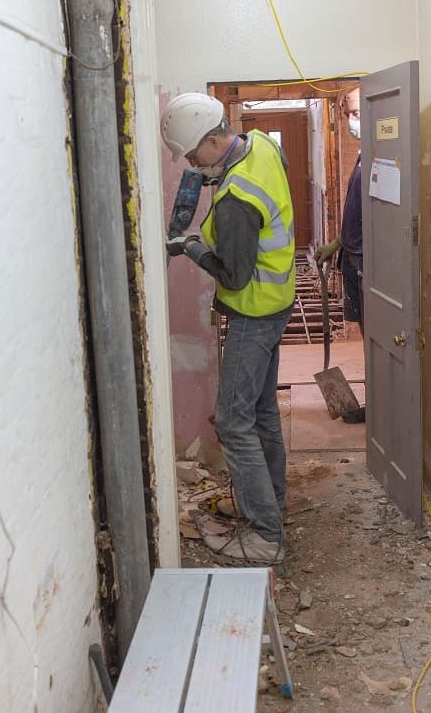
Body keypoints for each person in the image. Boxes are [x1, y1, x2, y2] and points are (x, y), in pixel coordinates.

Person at [160, 92, 296, 564]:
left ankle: (266, 535)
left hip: (254, 313)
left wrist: (191, 246)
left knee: (234, 421)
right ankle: (271, 507)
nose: (192, 166)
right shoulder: (260, 144)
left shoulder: (237, 198)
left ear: (216, 140)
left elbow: (234, 275)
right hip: (278, 302)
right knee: (261, 413)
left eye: (195, 155)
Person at [314, 108, 365, 423]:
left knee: (376, 334)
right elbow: (355, 213)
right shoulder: (362, 156)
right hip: (352, 255)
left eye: (357, 112)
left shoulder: (382, 158)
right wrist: (338, 242)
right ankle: (373, 404)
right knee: (365, 330)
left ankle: (380, 410)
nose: (352, 119)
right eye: (349, 112)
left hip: (365, 260)